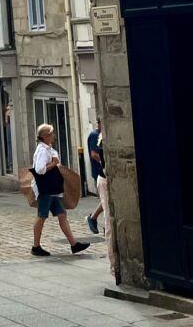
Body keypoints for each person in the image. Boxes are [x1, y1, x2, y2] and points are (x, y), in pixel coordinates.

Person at [31, 123, 90, 257]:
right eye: (52, 133)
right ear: (46, 136)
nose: (54, 136)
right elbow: (40, 169)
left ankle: (74, 244)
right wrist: (54, 163)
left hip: (52, 188)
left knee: (62, 215)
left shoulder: (47, 149)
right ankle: (36, 246)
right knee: (42, 216)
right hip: (45, 188)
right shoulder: (42, 150)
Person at [87, 118, 116, 277]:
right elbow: (95, 155)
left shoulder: (103, 136)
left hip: (105, 178)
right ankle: (113, 263)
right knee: (110, 221)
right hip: (104, 179)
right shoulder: (99, 137)